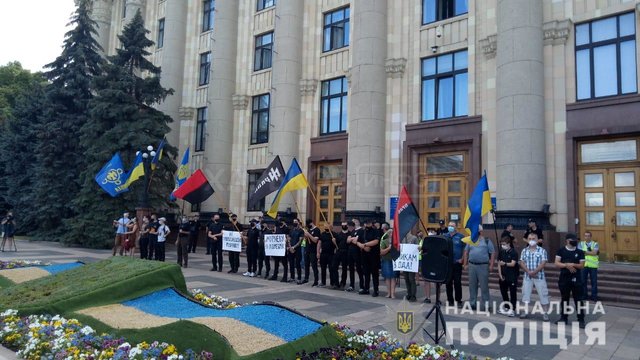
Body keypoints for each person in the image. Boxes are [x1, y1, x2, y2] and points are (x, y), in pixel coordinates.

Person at [555, 233, 586, 328]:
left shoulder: (580, 252)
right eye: (573, 240)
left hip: (577, 279)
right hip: (564, 278)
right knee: (564, 299)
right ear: (567, 240)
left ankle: (581, 319)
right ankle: (563, 318)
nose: (575, 242)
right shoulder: (561, 250)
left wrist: (572, 264)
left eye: (576, 240)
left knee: (579, 299)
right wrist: (566, 265)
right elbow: (556, 263)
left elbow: (582, 265)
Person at [462, 225, 496, 311]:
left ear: (480, 232)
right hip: (472, 266)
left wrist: (491, 265)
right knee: (472, 285)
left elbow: (492, 253)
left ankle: (486, 304)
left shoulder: (486, 240)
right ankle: (472, 303)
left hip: (483, 266)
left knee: (484, 286)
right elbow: (466, 252)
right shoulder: (470, 241)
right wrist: (465, 264)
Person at [519, 232, 550, 321]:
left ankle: (545, 313)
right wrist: (528, 271)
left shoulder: (542, 250)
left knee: (543, 294)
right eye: (530, 239)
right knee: (525, 294)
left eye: (533, 239)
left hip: (539, 276)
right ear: (527, 240)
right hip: (527, 276)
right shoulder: (524, 250)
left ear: (537, 240)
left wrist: (535, 271)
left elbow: (543, 262)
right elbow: (522, 262)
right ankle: (524, 311)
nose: (531, 241)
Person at [358, 219, 381, 297]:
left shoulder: (375, 231)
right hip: (364, 255)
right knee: (366, 272)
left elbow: (376, 241)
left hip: (374, 255)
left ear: (371, 223)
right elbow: (357, 241)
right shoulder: (362, 231)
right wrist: (362, 246)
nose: (368, 224)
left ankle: (376, 290)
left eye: (369, 223)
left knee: (374, 273)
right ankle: (366, 289)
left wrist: (365, 245)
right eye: (366, 223)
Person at [445, 221, 465, 307]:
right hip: (448, 264)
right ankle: (450, 300)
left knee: (457, 282)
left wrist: (463, 259)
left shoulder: (461, 237)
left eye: (452, 226)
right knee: (448, 283)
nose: (450, 227)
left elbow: (465, 250)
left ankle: (459, 300)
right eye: (449, 226)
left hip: (457, 263)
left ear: (456, 227)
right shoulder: (445, 236)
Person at [497, 235, 519, 316]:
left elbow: (513, 263)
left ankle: (512, 309)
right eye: (502, 244)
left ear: (509, 244)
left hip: (512, 275)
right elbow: (499, 263)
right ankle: (506, 307)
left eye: (504, 244)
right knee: (504, 292)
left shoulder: (513, 252)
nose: (503, 246)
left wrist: (505, 263)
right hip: (503, 275)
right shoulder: (501, 251)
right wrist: (500, 274)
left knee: (513, 293)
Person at [579, 231, 599, 301]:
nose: (587, 237)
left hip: (593, 266)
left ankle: (594, 296)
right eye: (585, 236)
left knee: (594, 282)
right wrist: (590, 252)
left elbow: (594, 253)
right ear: (584, 237)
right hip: (583, 265)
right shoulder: (581, 244)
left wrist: (584, 252)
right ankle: (584, 295)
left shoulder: (595, 244)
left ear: (591, 237)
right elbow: (580, 252)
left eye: (588, 236)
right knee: (583, 281)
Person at [331, 221, 350, 289]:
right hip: (338, 251)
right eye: (342, 225)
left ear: (347, 226)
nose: (344, 226)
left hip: (346, 252)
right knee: (334, 266)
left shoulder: (350, 234)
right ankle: (336, 283)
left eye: (345, 225)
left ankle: (343, 283)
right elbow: (336, 243)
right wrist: (334, 241)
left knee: (344, 268)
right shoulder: (338, 234)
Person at [346, 219, 364, 292]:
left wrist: (352, 239)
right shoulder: (353, 231)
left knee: (359, 268)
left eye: (355, 221)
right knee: (351, 269)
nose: (354, 222)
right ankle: (351, 285)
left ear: (358, 222)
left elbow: (356, 240)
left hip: (357, 252)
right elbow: (348, 240)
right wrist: (352, 239)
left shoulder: (361, 231)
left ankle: (361, 286)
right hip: (350, 251)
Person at [402, 229, 419, 302]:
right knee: (406, 278)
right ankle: (408, 293)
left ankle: (413, 295)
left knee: (411, 278)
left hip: (411, 262)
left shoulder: (414, 238)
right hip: (405, 262)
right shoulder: (402, 238)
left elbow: (417, 249)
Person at [302, 219, 320, 286]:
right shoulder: (308, 230)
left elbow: (315, 240)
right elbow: (305, 240)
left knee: (314, 266)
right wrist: (305, 236)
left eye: (308, 225)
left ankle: (316, 280)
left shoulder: (317, 230)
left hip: (313, 251)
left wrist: (309, 235)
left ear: (311, 223)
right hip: (307, 250)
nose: (308, 226)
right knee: (306, 265)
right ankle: (306, 278)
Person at [379, 223, 395, 298]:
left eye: (393, 233)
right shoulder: (384, 241)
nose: (392, 234)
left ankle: (393, 293)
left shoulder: (396, 242)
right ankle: (388, 293)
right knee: (387, 277)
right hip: (386, 260)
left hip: (394, 260)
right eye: (390, 233)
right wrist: (389, 248)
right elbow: (382, 252)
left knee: (393, 277)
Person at [417, 230, 432, 303]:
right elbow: (421, 251)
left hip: (434, 264)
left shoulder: (437, 243)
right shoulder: (423, 242)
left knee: (437, 282)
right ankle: (427, 297)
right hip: (425, 262)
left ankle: (438, 299)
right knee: (426, 281)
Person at [318, 223, 336, 287]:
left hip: (331, 254)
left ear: (331, 227)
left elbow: (337, 244)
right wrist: (318, 252)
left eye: (327, 227)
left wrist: (334, 241)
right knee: (323, 269)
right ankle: (323, 282)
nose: (326, 228)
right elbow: (319, 243)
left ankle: (332, 282)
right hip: (323, 254)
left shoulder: (334, 234)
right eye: (325, 227)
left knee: (331, 269)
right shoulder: (322, 234)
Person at [288, 219, 304, 283]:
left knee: (298, 264)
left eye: (296, 222)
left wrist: (294, 247)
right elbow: (289, 239)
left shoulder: (301, 231)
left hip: (297, 249)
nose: (294, 223)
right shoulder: (291, 230)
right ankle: (292, 277)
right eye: (293, 222)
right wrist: (290, 247)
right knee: (291, 264)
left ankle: (299, 278)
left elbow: (300, 241)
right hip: (291, 249)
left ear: (298, 222)